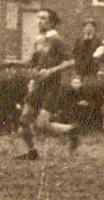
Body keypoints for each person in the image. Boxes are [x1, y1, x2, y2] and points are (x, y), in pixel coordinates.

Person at [15, 8, 80, 160]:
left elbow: (71, 62)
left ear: (51, 22)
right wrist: (13, 62)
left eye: (43, 18)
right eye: (39, 18)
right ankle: (32, 151)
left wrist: (51, 71)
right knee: (24, 120)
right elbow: (33, 61)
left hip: (52, 86)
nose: (39, 21)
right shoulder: (39, 40)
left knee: (41, 125)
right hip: (38, 85)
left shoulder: (57, 40)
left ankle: (70, 131)